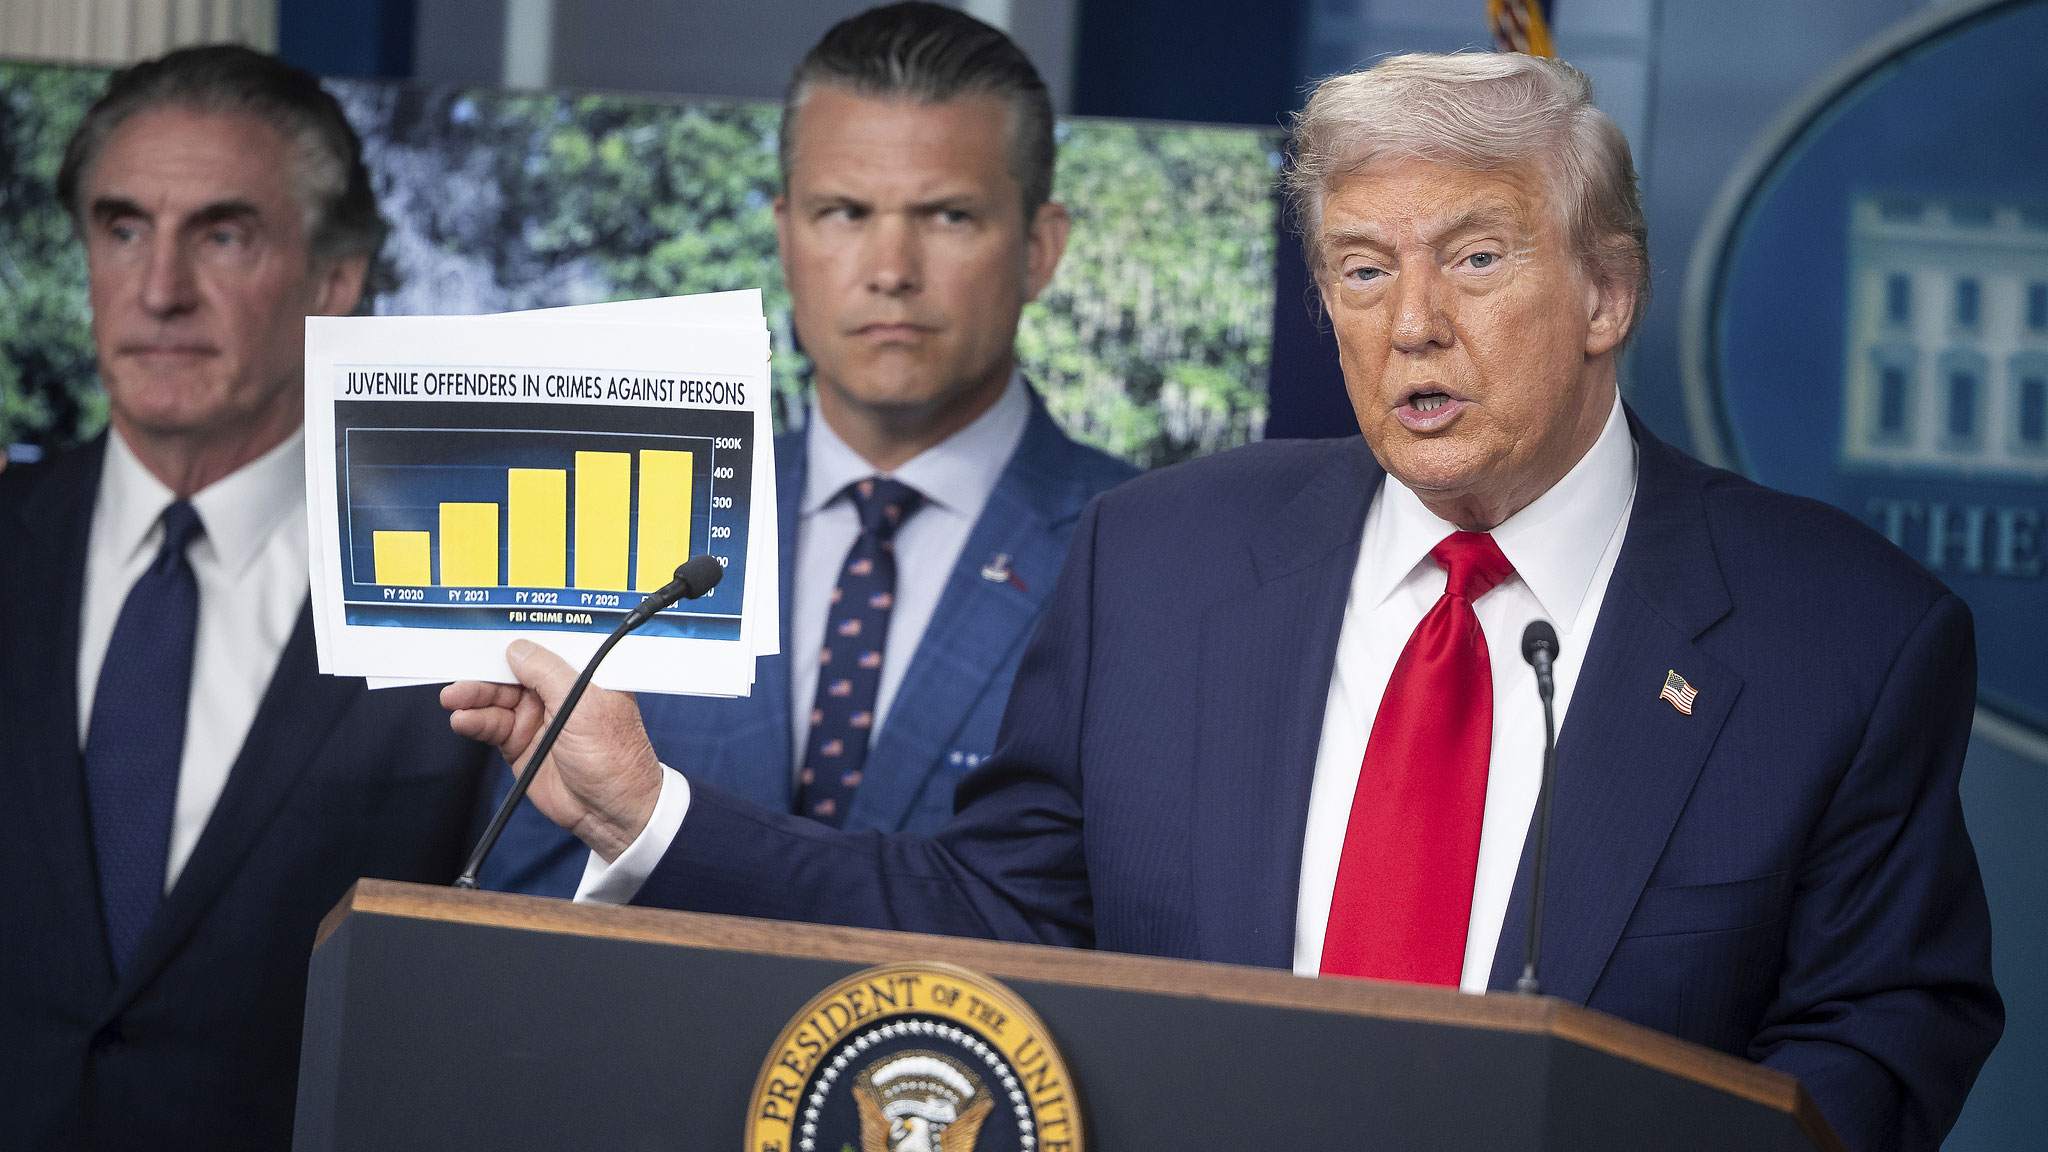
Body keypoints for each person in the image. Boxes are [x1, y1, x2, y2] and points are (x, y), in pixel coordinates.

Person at [443, 53, 2000, 1151]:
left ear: (1606, 293)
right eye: (1364, 271)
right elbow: (994, 917)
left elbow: (1881, 1038)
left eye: (1475, 256)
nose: (1416, 328)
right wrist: (650, 812)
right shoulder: (1162, 558)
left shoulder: (1838, 636)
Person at [476, 1, 1135, 897]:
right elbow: (526, 895)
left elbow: (1108, 920)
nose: (890, 267)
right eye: (845, 212)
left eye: (946, 216)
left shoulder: (1146, 559)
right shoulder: (631, 524)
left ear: (1040, 248)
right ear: (786, 237)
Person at [0, 46, 489, 1151]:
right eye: (123, 229)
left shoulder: (455, 589)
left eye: (223, 236)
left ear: (334, 278)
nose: (160, 289)